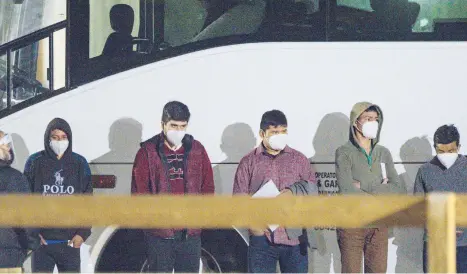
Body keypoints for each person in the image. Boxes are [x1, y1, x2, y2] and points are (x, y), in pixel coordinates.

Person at [131, 101, 215, 273]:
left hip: (189, 234)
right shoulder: (147, 152)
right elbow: (139, 194)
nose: (178, 131)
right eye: (173, 126)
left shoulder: (197, 150)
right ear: (163, 124)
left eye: (182, 126)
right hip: (159, 235)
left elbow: (208, 187)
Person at [233, 109, 318, 273]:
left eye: (283, 131)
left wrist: (292, 192)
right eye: (274, 132)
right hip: (262, 240)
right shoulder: (248, 162)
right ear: (262, 133)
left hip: (294, 239)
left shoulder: (299, 160)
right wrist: (253, 226)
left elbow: (313, 190)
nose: (280, 135)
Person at [335, 102, 406, 273]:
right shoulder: (343, 152)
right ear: (355, 122)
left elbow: (397, 188)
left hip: (379, 225)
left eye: (376, 119)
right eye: (368, 118)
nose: (373, 123)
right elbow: (347, 190)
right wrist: (381, 190)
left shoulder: (383, 152)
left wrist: (364, 186)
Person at [24, 118, 93, 273]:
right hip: (42, 244)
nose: (59, 141)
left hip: (70, 242)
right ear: (48, 139)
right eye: (55, 137)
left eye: (63, 138)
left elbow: (88, 203)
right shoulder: (35, 163)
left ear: (69, 139)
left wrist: (82, 233)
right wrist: (32, 234)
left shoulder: (79, 164)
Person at [414, 124, 467, 273]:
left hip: (464, 247)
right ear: (435, 148)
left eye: (451, 151)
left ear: (459, 146)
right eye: (441, 151)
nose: (446, 155)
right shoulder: (425, 171)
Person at [0, 131, 40, 268]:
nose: (9, 148)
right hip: (8, 255)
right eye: (5, 145)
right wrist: (33, 243)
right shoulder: (15, 179)